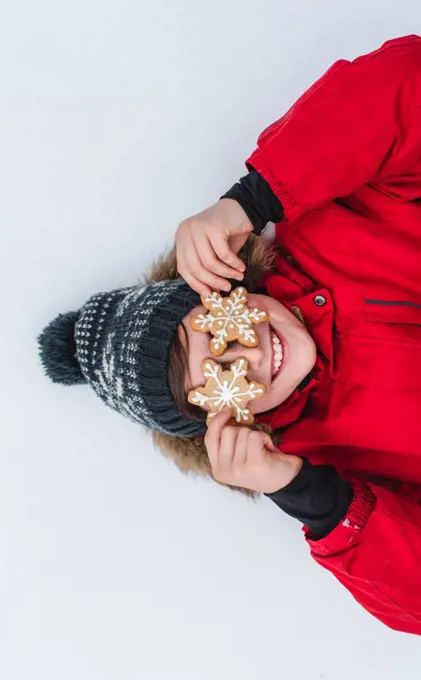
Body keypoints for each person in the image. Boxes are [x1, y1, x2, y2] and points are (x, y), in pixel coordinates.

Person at [38, 35, 421, 634]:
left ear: (224, 289)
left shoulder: (331, 219)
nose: (246, 355)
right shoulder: (329, 469)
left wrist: (254, 197)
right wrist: (315, 502)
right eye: (221, 381)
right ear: (227, 420)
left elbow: (406, 85)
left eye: (215, 332)